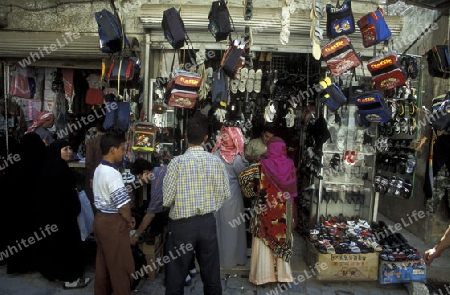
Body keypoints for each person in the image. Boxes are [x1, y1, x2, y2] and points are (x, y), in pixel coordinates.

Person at [163, 113, 230, 295]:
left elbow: (167, 199)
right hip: (207, 224)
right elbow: (225, 193)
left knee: (175, 278)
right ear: (206, 138)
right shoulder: (216, 162)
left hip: (182, 227)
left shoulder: (176, 163)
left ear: (185, 136)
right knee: (211, 277)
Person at [238, 136, 297, 286]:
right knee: (282, 241)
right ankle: (283, 277)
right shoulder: (290, 165)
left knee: (263, 242)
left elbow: (242, 177)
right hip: (284, 212)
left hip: (264, 210)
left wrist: (252, 194)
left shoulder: (260, 166)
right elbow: (292, 190)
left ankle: (263, 276)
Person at [130, 157, 196, 286]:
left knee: (172, 245)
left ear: (145, 172)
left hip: (182, 213)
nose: (139, 181)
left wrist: (136, 235)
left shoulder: (157, 182)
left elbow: (150, 214)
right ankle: (191, 269)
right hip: (189, 210)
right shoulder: (161, 170)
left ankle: (182, 278)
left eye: (139, 177)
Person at [34, 139, 90, 289]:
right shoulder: (60, 170)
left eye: (70, 148)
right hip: (64, 218)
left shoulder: (47, 167)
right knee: (67, 247)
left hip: (50, 217)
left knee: (53, 246)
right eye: (65, 149)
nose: (69, 152)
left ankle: (54, 273)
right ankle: (70, 279)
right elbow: (67, 195)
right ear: (57, 151)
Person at [93, 132, 135, 294]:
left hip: (100, 220)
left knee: (103, 264)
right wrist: (130, 220)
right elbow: (123, 205)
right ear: (112, 150)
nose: (123, 153)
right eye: (122, 149)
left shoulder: (99, 169)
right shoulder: (113, 174)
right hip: (112, 223)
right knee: (121, 268)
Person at [4, 133, 46, 274]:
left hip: (14, 208)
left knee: (16, 235)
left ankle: (16, 265)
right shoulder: (36, 164)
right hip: (30, 209)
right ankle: (29, 263)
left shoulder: (14, 163)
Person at [211, 125, 249, 268]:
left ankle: (218, 260)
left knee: (218, 229)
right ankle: (232, 260)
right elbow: (243, 178)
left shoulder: (214, 155)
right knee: (232, 230)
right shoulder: (237, 159)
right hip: (232, 198)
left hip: (216, 197)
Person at [85, 118, 105, 207]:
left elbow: (89, 162)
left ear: (96, 129)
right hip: (109, 177)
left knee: (95, 203)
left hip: (95, 176)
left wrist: (92, 178)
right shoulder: (113, 142)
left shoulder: (91, 142)